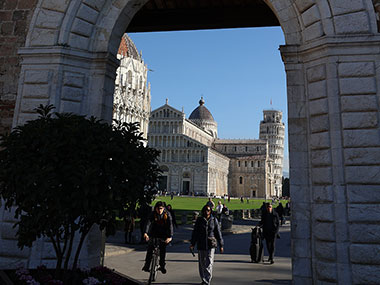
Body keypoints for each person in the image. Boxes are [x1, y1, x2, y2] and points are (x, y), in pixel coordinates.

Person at [190, 205, 224, 285]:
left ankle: (207, 280)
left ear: (210, 211)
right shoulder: (199, 220)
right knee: (202, 263)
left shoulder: (214, 220)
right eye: (205, 210)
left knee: (209, 262)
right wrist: (192, 243)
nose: (206, 212)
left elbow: (218, 233)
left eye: (208, 210)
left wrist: (221, 244)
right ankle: (203, 278)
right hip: (201, 243)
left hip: (211, 244)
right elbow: (195, 233)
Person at [142, 201, 173, 274]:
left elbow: (170, 226)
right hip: (154, 233)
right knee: (150, 248)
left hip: (163, 234)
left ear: (163, 208)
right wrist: (145, 233)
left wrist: (170, 236)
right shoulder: (152, 214)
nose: (159, 210)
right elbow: (148, 223)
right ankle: (147, 265)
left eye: (161, 208)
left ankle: (162, 266)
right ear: (155, 208)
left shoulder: (167, 215)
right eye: (158, 208)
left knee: (162, 250)